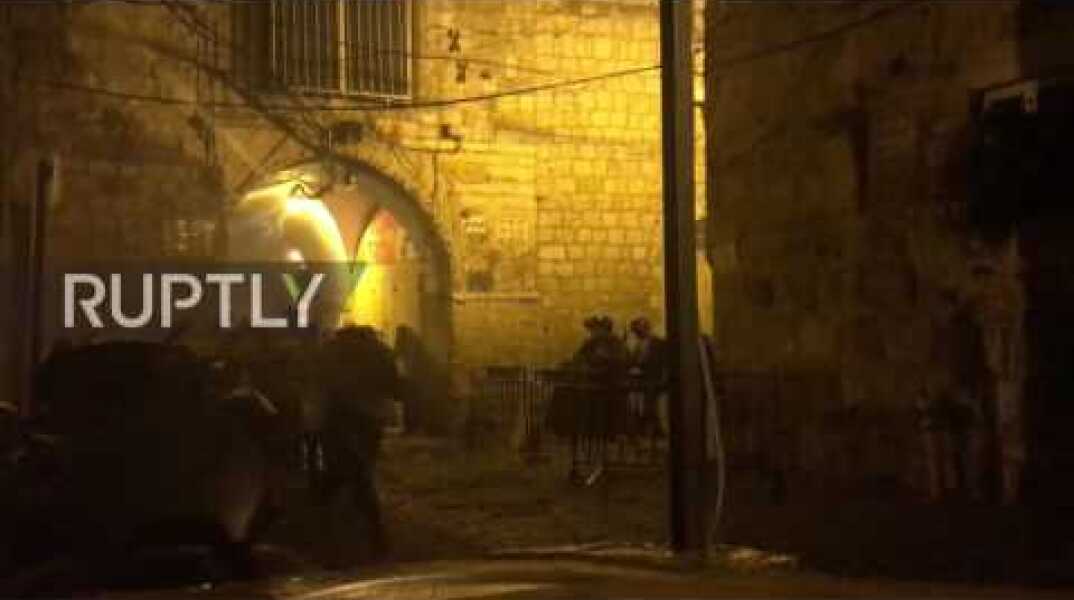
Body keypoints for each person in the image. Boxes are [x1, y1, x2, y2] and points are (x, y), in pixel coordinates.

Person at [316, 325, 398, 559]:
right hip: (370, 417)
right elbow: (394, 384)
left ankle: (367, 532)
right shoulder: (379, 350)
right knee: (359, 470)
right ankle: (371, 532)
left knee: (349, 471)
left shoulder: (332, 350)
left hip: (340, 416)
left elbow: (320, 380)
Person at [627, 317, 668, 436]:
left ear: (646, 329)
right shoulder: (637, 345)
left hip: (654, 380)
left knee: (651, 407)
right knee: (638, 407)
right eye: (635, 331)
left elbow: (663, 363)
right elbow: (634, 361)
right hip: (639, 381)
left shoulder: (658, 343)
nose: (637, 333)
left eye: (639, 330)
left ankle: (653, 432)